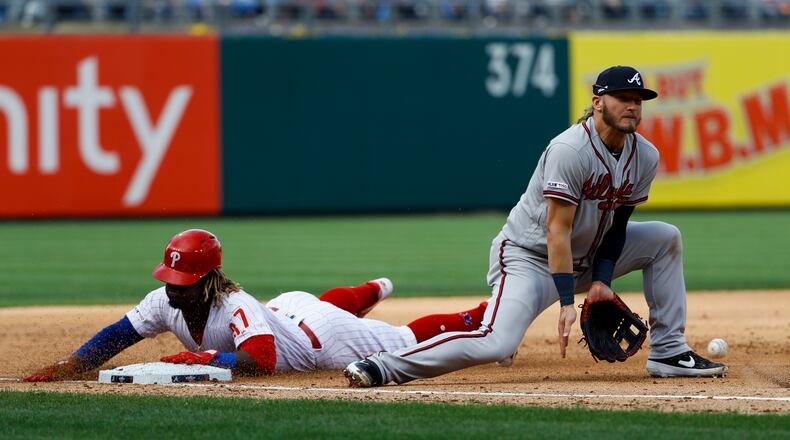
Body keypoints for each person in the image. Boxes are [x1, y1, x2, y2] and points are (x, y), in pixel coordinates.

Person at [344, 65, 728, 387]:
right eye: (622, 98)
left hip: (588, 256)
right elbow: (556, 230)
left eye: (637, 100)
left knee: (665, 238)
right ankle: (384, 365)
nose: (632, 106)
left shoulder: (645, 156)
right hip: (530, 258)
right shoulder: (570, 150)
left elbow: (618, 224)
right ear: (597, 102)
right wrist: (565, 302)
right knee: (495, 342)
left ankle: (669, 352)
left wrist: (602, 280)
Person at [24, 229, 488, 381]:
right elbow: (117, 335)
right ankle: (371, 289)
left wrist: (207, 358)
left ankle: (488, 312)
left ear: (206, 279)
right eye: (170, 277)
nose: (172, 288)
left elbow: (262, 361)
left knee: (406, 337)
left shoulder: (235, 304)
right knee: (324, 301)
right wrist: (71, 365)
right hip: (287, 311)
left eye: (182, 280)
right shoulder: (164, 300)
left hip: (321, 341)